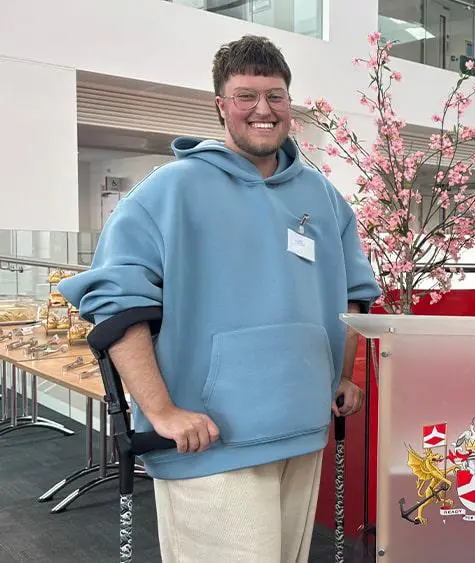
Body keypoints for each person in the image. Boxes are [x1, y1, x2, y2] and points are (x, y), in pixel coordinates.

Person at [58, 35, 380, 563]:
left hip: (302, 430)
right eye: (245, 95)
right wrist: (161, 411)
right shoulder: (169, 191)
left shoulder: (322, 196)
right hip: (208, 441)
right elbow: (115, 303)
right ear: (221, 106)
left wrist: (342, 375)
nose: (262, 109)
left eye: (275, 95)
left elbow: (354, 293)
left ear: (290, 104)